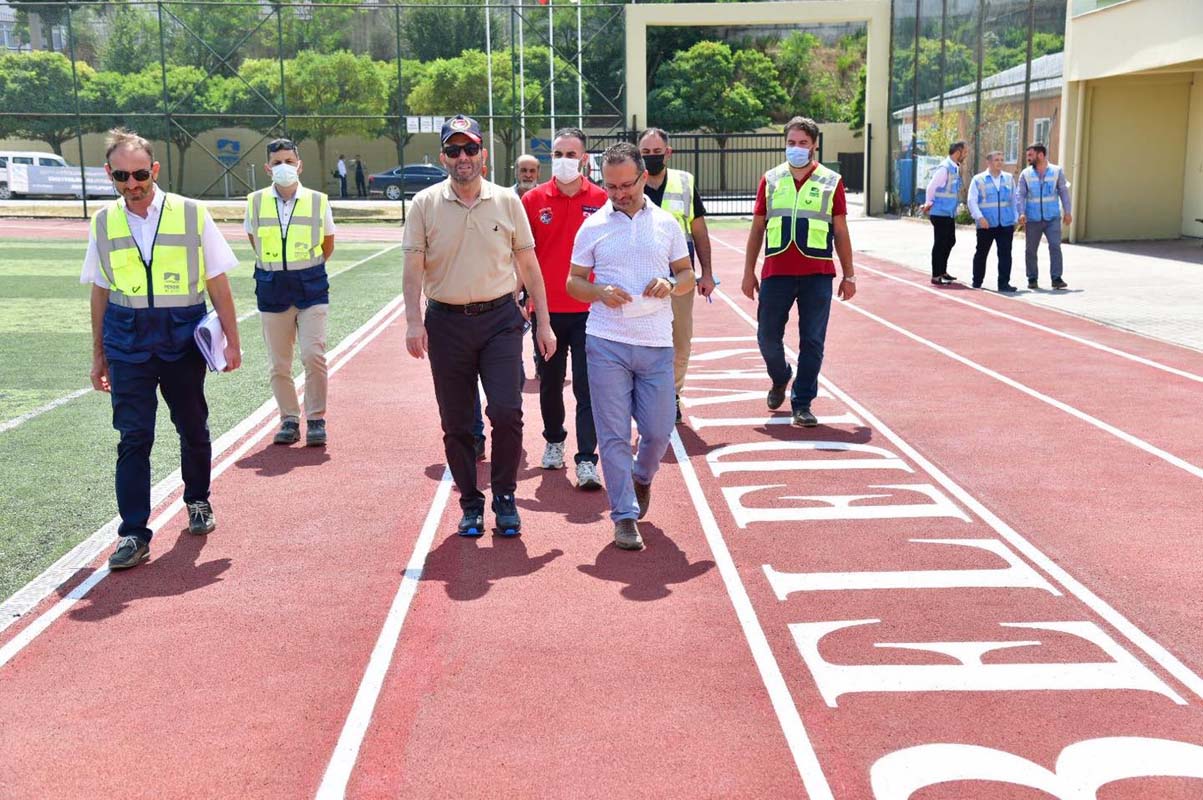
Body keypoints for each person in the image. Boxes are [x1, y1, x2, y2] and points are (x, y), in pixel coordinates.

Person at [81, 128, 242, 571]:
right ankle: (133, 533)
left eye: (139, 174)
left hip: (181, 340)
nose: (132, 184)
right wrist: (98, 354)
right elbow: (99, 291)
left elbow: (218, 281)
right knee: (134, 437)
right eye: (121, 176)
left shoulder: (192, 214)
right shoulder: (103, 222)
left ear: (154, 170)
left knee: (193, 427)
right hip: (127, 343)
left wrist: (232, 339)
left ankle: (198, 501)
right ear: (109, 174)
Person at [403, 114, 556, 537]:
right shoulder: (425, 204)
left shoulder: (507, 202)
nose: (462, 157)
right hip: (446, 323)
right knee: (456, 423)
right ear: (443, 158)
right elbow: (413, 268)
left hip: (500, 321)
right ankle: (471, 503)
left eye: (470, 149)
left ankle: (505, 496)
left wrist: (543, 323)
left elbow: (529, 263)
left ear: (483, 155)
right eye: (454, 151)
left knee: (506, 412)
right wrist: (414, 321)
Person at [567, 142, 695, 551]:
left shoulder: (667, 224)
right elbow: (573, 282)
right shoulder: (593, 227)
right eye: (610, 186)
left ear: (643, 177)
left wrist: (672, 284)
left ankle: (642, 477)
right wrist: (599, 290)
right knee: (614, 434)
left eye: (627, 185)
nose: (619, 193)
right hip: (606, 342)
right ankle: (623, 516)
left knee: (659, 432)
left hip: (656, 343)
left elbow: (687, 275)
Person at [742, 116, 856, 428]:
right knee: (767, 336)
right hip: (776, 271)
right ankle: (780, 377)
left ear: (814, 146)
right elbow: (757, 229)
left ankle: (802, 403)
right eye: (791, 143)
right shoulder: (771, 179)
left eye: (803, 143)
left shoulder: (832, 181)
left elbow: (842, 231)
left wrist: (850, 274)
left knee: (813, 341)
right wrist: (748, 271)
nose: (796, 148)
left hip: (817, 273)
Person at [521, 126, 607, 490]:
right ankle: (554, 441)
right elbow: (522, 257)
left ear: (584, 159)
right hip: (547, 313)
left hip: (591, 313)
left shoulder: (602, 199)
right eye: (558, 155)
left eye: (572, 155)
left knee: (588, 388)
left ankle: (587, 458)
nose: (565, 161)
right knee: (551, 383)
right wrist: (526, 298)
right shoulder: (533, 200)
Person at [245, 138, 337, 446]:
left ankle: (316, 419)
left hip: (310, 284)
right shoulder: (255, 201)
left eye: (289, 161)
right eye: (277, 162)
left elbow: (328, 245)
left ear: (300, 165)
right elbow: (253, 239)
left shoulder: (318, 200)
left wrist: (303, 266)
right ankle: (288, 419)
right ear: (267, 168)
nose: (284, 167)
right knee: (279, 363)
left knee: (314, 355)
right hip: (272, 288)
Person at [637, 127, 716, 424]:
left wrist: (706, 273)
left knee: (680, 342)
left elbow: (699, 230)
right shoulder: (629, 184)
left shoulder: (685, 182)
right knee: (642, 344)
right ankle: (645, 398)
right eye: (646, 153)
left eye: (657, 152)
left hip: (679, 280)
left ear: (668, 153)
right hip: (640, 280)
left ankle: (671, 395)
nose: (652, 158)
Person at [1016, 142, 1072, 290]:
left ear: (1040, 155)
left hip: (1052, 217)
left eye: (1030, 155)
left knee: (1055, 246)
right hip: (1033, 218)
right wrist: (1021, 212)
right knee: (1031, 250)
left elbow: (1063, 192)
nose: (1028, 158)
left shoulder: (1056, 171)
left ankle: (1056, 278)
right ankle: (1032, 278)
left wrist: (1068, 212)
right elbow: (1020, 195)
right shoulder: (1025, 174)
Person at [967, 150, 1019, 292]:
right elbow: (972, 201)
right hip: (986, 224)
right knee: (981, 253)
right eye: (997, 160)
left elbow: (1014, 200)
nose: (1000, 162)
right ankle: (977, 282)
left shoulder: (1008, 178)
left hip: (1005, 224)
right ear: (988, 162)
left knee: (1005, 254)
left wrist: (1015, 218)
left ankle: (1004, 284)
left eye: (1002, 159)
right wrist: (979, 217)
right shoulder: (978, 179)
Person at [922, 140, 968, 285]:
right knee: (940, 243)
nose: (966, 155)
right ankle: (936, 275)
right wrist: (928, 203)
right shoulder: (945, 168)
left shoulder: (954, 167)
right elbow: (931, 187)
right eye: (965, 152)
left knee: (949, 241)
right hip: (940, 213)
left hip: (948, 213)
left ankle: (942, 271)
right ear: (958, 151)